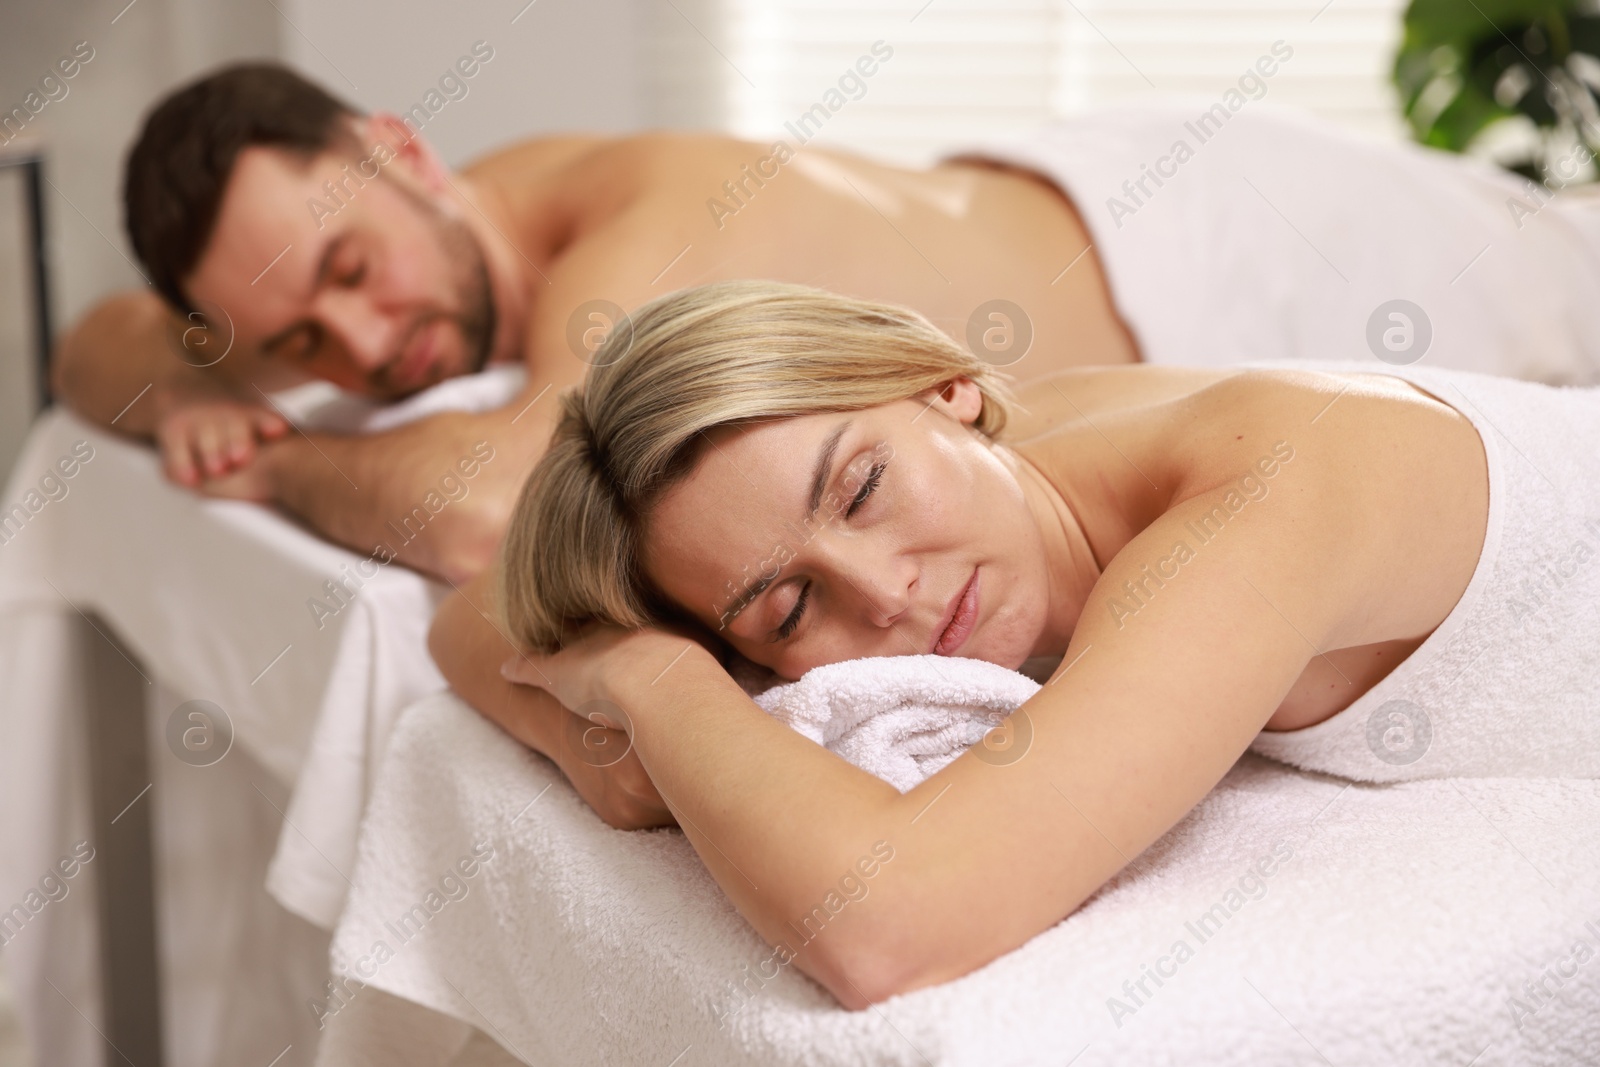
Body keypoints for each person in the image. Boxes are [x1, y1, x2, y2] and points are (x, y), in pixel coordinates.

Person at [430, 280, 1600, 1007]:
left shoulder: (1264, 493)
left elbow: (891, 922)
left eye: (864, 489)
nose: (883, 596)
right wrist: (587, 724)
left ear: (944, 390)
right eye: (786, 611)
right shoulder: (1010, 464)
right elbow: (465, 617)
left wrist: (651, 680)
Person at [51, 63, 1600, 580]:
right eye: (299, 346)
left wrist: (277, 459)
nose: (364, 347)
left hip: (1226, 246)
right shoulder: (386, 264)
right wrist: (194, 374)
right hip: (1073, 206)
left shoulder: (623, 231)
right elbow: (93, 341)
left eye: (347, 275)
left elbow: (479, 508)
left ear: (401, 148)